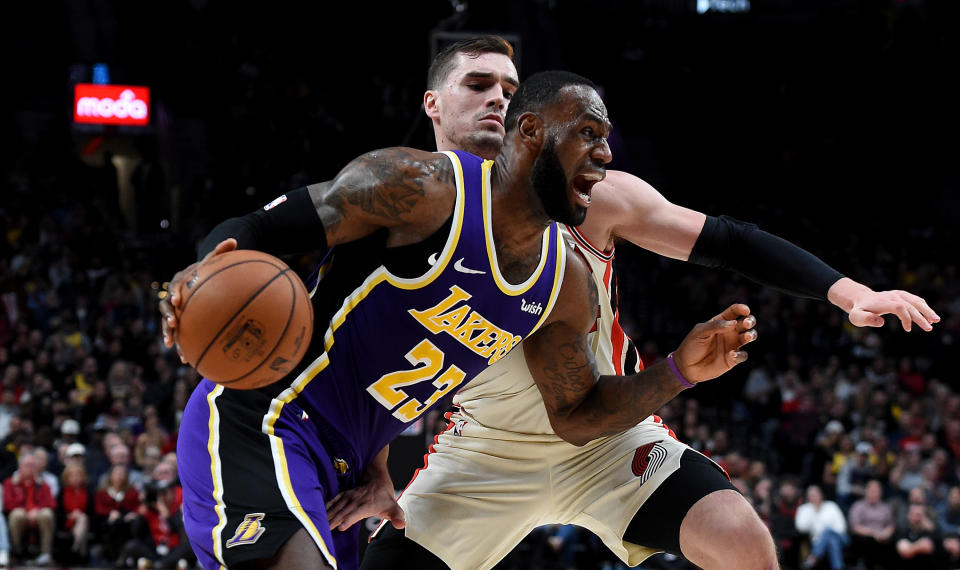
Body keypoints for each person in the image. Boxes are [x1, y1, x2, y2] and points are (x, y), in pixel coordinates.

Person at [339, 36, 939, 570]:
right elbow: (368, 362)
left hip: (611, 435)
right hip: (483, 453)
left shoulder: (594, 198)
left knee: (741, 542)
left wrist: (852, 293)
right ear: (432, 105)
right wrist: (373, 464)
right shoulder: (403, 218)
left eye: (511, 89)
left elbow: (729, 242)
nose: (498, 98)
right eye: (478, 84)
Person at [161, 69, 761, 569]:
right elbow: (260, 230)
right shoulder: (421, 188)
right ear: (531, 132)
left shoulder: (565, 283)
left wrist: (677, 372)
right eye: (587, 134)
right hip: (267, 415)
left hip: (346, 461)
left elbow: (577, 418)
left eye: (607, 139)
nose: (605, 154)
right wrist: (198, 279)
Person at [2, 452, 56, 566]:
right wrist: (26, 511)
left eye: (33, 466)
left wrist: (37, 510)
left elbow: (51, 503)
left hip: (38, 516)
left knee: (47, 514)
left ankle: (45, 553)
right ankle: (17, 553)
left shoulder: (43, 484)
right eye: (27, 465)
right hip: (20, 516)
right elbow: (8, 504)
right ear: (20, 466)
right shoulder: (10, 483)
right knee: (17, 514)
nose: (30, 469)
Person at [795, 484, 849, 570]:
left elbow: (841, 527)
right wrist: (813, 511)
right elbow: (801, 527)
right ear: (807, 497)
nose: (814, 497)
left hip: (841, 537)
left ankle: (814, 557)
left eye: (815, 494)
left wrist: (826, 532)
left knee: (828, 531)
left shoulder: (832, 506)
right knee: (832, 541)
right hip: (818, 541)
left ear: (821, 494)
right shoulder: (804, 509)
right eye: (811, 495)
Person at [847, 479, 895, 569]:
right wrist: (873, 534)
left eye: (877, 491)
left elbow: (891, 525)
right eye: (872, 491)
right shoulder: (858, 506)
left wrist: (885, 533)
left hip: (882, 539)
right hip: (865, 539)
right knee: (865, 541)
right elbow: (855, 527)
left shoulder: (885, 507)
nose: (874, 493)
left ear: (880, 493)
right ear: (866, 491)